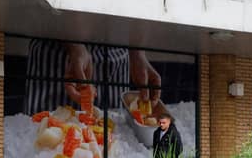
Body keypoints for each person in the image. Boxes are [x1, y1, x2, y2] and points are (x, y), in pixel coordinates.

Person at [25, 40, 161, 113]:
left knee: (109, 146)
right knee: (47, 142)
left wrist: (137, 53)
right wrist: (74, 45)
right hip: (57, 55)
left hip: (115, 58)